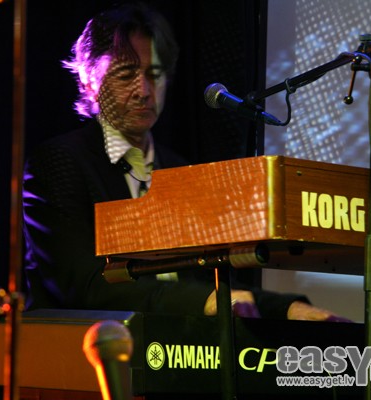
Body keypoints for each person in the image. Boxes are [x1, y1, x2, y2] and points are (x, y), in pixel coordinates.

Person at [22, 1, 348, 321]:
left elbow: (214, 281)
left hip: (182, 343)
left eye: (155, 74)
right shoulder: (59, 163)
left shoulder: (178, 169)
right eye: (126, 74)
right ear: (88, 81)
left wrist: (287, 309)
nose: (144, 90)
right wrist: (201, 302)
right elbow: (84, 286)